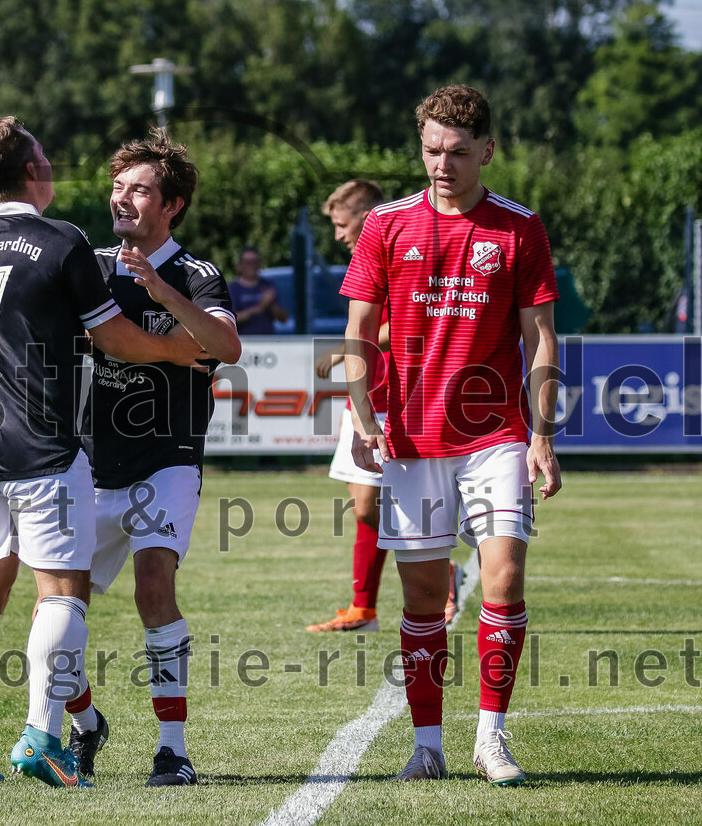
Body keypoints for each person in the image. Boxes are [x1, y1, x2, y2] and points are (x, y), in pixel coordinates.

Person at [0, 132, 241, 787]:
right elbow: (22, 317)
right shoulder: (87, 260)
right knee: (57, 605)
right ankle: (83, 721)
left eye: (140, 190)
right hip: (88, 461)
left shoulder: (195, 274)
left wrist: (163, 293)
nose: (122, 198)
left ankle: (172, 750)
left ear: (172, 205)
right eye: (118, 186)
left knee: (153, 586)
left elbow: (225, 345)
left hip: (166, 458)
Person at [340, 85, 561, 786]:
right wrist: (364, 416)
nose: (443, 164)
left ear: (487, 151)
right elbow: (357, 330)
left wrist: (542, 435)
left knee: (505, 577)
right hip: (411, 438)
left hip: (496, 434)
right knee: (422, 596)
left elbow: (541, 337)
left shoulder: (519, 228)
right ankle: (427, 744)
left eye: (458, 152)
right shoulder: (385, 224)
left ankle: (491, 737)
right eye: (433, 150)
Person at [308, 179, 463, 632]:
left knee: (399, 503)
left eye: (342, 224)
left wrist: (345, 349)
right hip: (365, 397)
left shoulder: (407, 249)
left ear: (366, 215)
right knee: (364, 507)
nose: (338, 234)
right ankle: (364, 609)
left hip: (405, 399)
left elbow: (418, 319)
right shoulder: (367, 257)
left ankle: (436, 575)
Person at [228, 246, 288, 334]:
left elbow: (283, 319)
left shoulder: (268, 285)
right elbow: (230, 320)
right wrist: (259, 307)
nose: (252, 266)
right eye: (248, 263)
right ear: (239, 266)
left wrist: (271, 304)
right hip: (242, 339)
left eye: (255, 262)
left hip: (267, 339)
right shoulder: (232, 289)